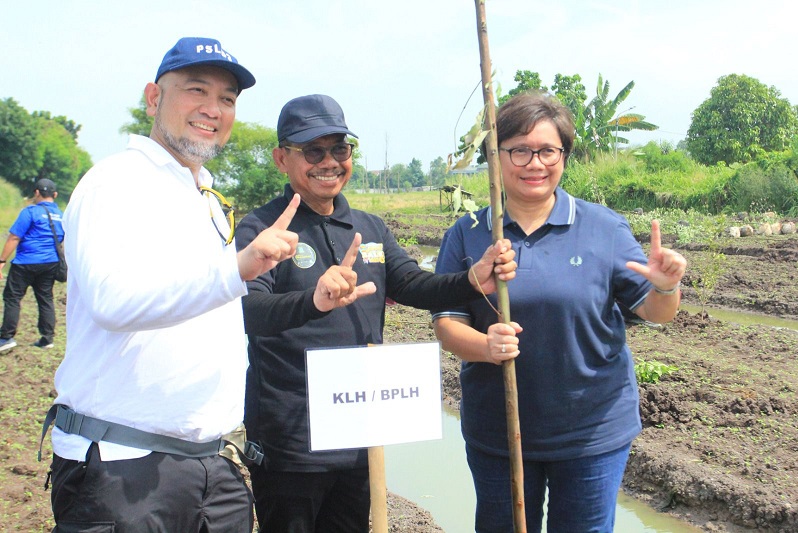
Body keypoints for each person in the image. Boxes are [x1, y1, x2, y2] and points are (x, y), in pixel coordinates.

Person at [42, 37, 301, 533]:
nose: (212, 109)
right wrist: (234, 272)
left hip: (210, 465)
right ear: (154, 98)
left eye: (227, 99)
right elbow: (111, 302)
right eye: (196, 90)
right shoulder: (115, 183)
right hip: (123, 467)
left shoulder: (201, 195)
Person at [235, 93, 517, 532]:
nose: (329, 161)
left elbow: (412, 284)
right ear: (281, 158)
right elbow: (248, 312)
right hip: (292, 436)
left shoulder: (369, 227)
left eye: (340, 149)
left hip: (359, 424)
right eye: (313, 151)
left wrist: (471, 280)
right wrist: (313, 300)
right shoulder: (262, 229)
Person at [432, 92, 687, 533]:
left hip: (592, 430)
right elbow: (448, 325)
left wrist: (667, 285)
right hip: (500, 431)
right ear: (497, 157)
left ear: (564, 156)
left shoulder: (603, 227)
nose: (535, 163)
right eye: (520, 150)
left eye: (548, 150)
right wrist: (488, 346)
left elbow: (655, 310)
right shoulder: (470, 232)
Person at [0, 178, 64, 352]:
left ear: (36, 193)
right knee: (45, 298)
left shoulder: (30, 211)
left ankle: (6, 337)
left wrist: (2, 260)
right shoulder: (61, 216)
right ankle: (47, 338)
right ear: (55, 195)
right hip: (50, 263)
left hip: (26, 263)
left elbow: (14, 237)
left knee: (12, 297)